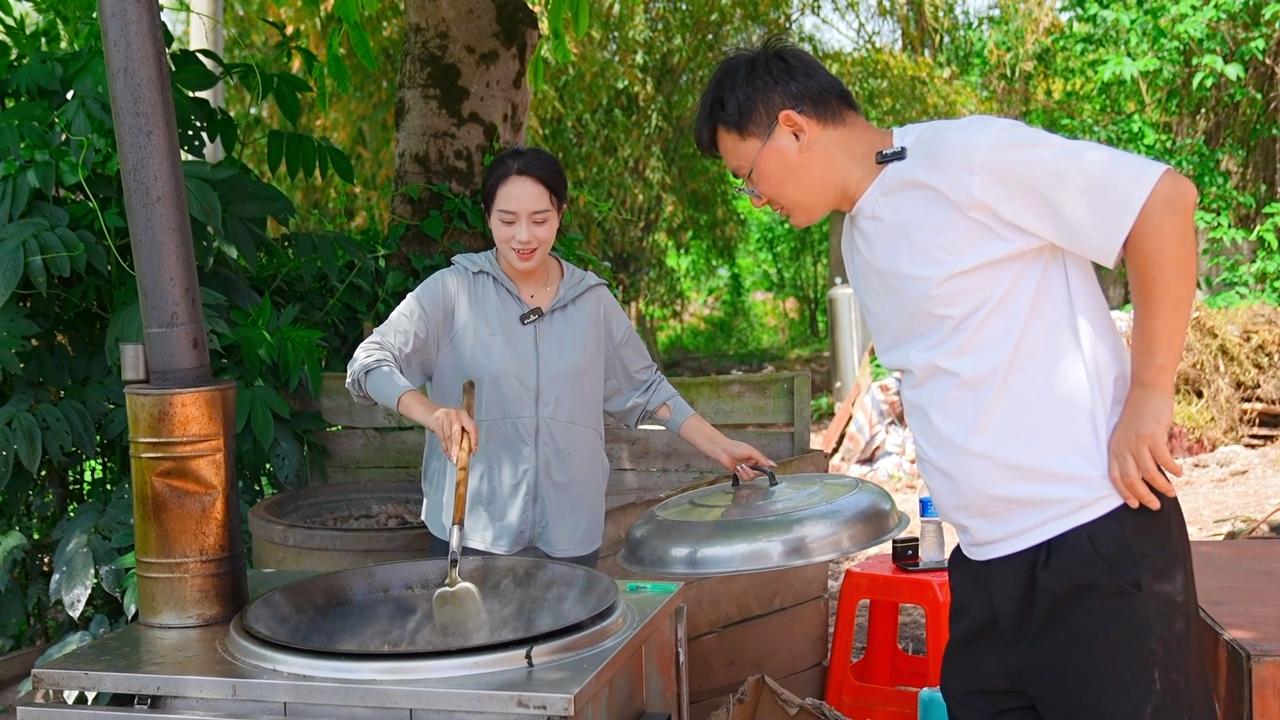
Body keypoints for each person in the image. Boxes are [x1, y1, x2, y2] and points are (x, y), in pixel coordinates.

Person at [693, 37, 1212, 720]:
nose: (753, 196)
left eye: (747, 173)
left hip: (1095, 545)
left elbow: (1163, 203)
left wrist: (1150, 392)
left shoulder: (965, 159)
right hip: (987, 571)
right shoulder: (857, 240)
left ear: (793, 128)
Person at [346, 146, 774, 568]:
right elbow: (368, 362)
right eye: (507, 220)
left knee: (565, 640)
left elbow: (647, 389)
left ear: (561, 214)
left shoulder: (592, 301)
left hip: (570, 538)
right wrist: (432, 412)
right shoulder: (452, 291)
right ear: (486, 215)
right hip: (474, 536)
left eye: (540, 219)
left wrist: (722, 448)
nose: (524, 236)